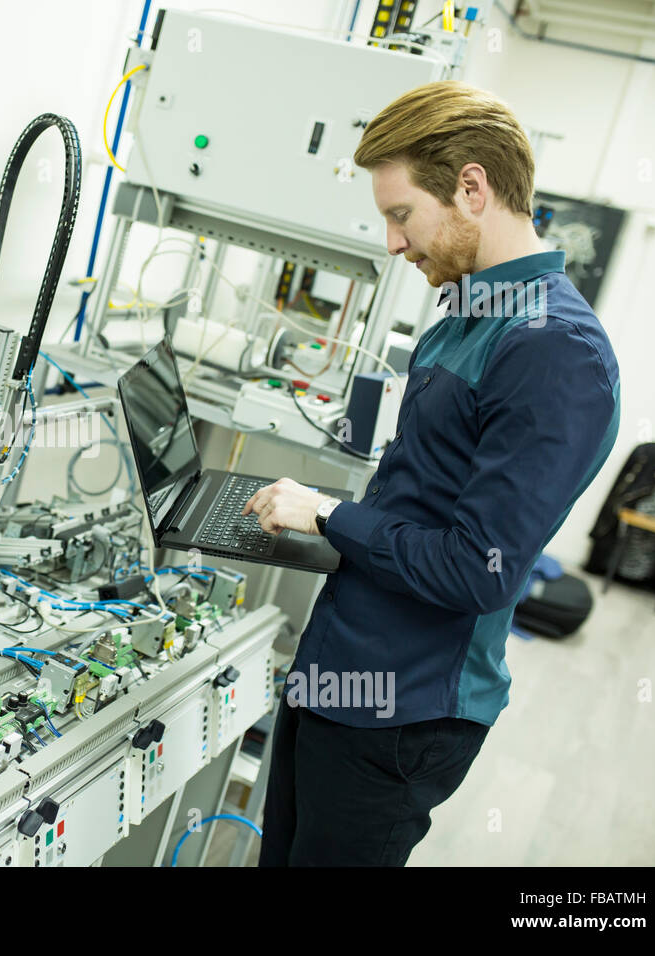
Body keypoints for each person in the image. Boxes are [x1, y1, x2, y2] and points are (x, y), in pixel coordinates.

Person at [245, 81, 620, 866]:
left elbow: (474, 569)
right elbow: (418, 500)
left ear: (472, 188)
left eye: (401, 214)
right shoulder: (466, 315)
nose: (391, 242)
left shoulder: (553, 350)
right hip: (339, 670)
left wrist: (326, 514)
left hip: (401, 711)